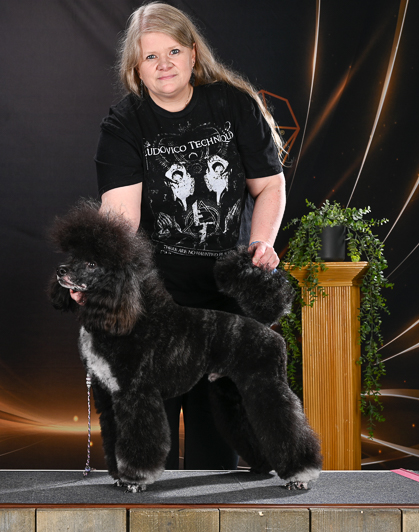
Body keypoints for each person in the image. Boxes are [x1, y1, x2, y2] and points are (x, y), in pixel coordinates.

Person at [85, 2, 286, 470]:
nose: (164, 64)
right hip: (156, 308)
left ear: (193, 54)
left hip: (224, 304)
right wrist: (97, 273)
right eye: (150, 56)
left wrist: (262, 243)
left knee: (216, 455)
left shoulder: (233, 104)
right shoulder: (124, 124)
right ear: (136, 68)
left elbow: (270, 185)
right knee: (144, 449)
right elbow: (120, 219)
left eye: (173, 51)